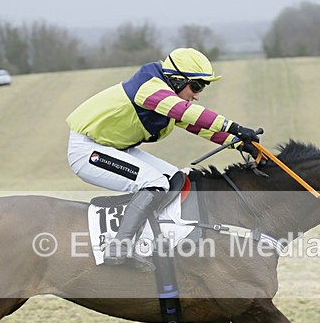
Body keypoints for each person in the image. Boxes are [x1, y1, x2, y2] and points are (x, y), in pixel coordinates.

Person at [66, 47, 260, 266]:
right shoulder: (150, 89)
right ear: (176, 80)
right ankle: (119, 248)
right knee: (155, 183)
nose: (196, 95)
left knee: (176, 178)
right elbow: (187, 112)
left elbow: (196, 125)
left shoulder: (166, 95)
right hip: (87, 150)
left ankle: (151, 236)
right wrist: (234, 127)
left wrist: (238, 144)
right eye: (195, 87)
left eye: (201, 88)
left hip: (113, 147)